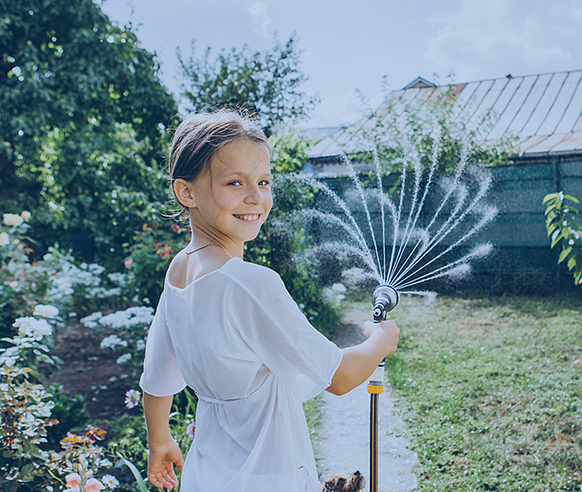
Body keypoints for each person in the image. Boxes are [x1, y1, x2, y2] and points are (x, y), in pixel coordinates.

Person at [140, 110, 399, 491]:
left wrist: (159, 440)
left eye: (263, 181)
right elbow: (339, 377)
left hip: (208, 472)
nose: (256, 197)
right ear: (186, 192)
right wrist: (380, 342)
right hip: (266, 475)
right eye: (234, 182)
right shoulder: (248, 283)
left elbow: (158, 372)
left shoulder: (180, 270)